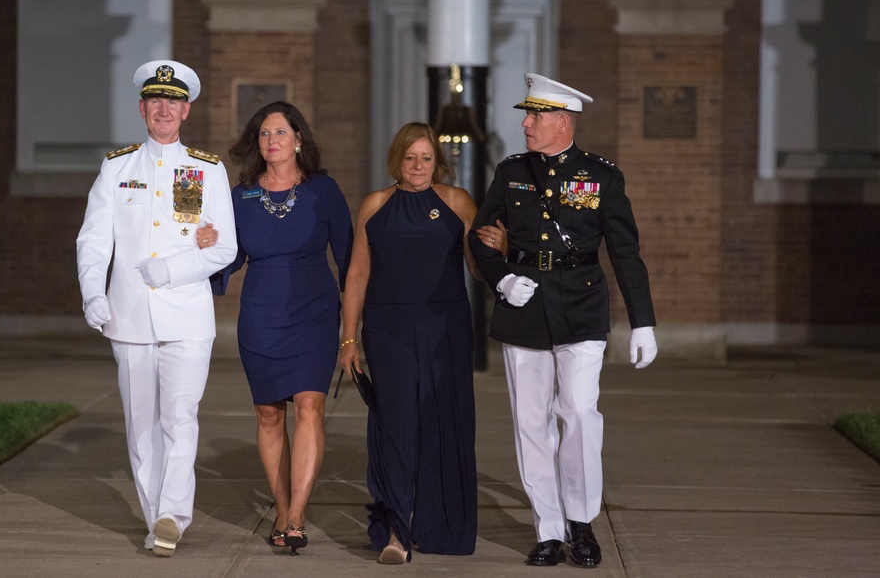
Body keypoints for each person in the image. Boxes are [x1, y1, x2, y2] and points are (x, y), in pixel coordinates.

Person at [468, 73, 658, 568]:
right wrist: (502, 279)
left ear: (562, 121)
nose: (526, 124)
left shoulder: (600, 176)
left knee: (578, 414)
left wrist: (643, 322)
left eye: (535, 116)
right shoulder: (511, 172)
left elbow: (624, 252)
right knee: (531, 424)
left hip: (581, 304)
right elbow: (479, 235)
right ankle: (548, 530)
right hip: (524, 306)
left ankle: (581, 522)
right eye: (527, 115)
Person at [76, 60, 237, 557]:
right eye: (155, 101)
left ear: (186, 110)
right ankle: (157, 519)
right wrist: (92, 291)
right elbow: (93, 239)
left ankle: (172, 514)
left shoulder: (206, 170)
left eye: (173, 102)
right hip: (128, 318)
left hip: (187, 315)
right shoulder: (117, 167)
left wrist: (169, 270)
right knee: (141, 424)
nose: (164, 109)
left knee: (179, 417)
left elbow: (223, 248)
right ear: (143, 108)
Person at [337, 122, 504, 564]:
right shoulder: (375, 204)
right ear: (397, 159)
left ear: (438, 162)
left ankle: (441, 527)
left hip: (444, 328)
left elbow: (476, 266)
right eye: (410, 158)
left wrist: (497, 251)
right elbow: (356, 273)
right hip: (387, 327)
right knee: (395, 424)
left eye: (426, 158)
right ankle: (395, 530)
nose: (417, 166)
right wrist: (348, 338)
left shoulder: (458, 202)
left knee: (442, 421)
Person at [199, 101, 353, 555]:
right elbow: (230, 257)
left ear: (299, 140)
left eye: (281, 133)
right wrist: (205, 247)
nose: (272, 142)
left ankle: (296, 516)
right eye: (264, 134)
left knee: (309, 406)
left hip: (314, 313)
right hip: (262, 316)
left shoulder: (324, 191)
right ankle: (281, 505)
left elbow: (348, 259)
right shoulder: (241, 195)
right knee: (269, 414)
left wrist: (355, 323)